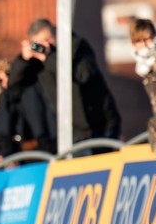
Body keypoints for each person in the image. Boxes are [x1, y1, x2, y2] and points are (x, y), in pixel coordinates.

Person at [10, 18, 121, 149]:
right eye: (38, 44)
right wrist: (23, 60)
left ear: (56, 34)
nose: (45, 46)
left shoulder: (76, 46)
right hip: (71, 131)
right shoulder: (37, 62)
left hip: (100, 123)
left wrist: (49, 57)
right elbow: (14, 86)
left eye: (48, 39)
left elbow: (83, 75)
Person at [129, 18, 156, 157]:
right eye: (138, 41)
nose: (144, 45)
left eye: (147, 39)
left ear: (155, 37)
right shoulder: (148, 69)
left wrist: (155, 126)